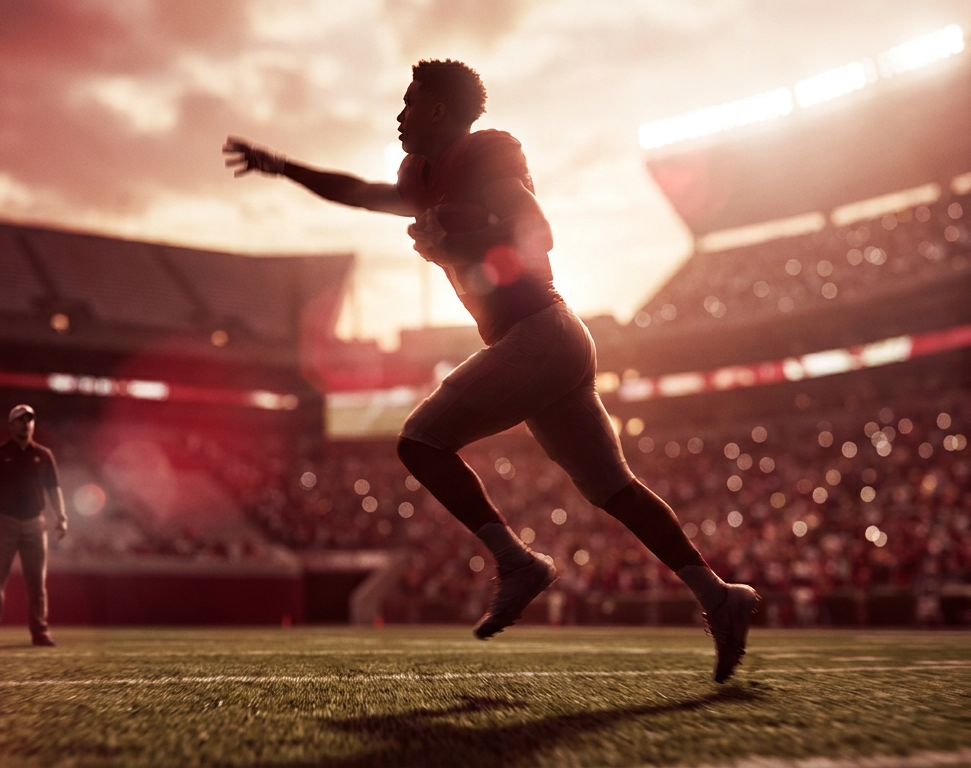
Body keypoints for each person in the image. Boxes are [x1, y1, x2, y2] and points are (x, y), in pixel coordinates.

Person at [224, 59, 760, 683]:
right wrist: (283, 167)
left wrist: (462, 232)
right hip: (546, 342)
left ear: (439, 112)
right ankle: (718, 594)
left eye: (409, 103)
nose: (399, 116)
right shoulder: (424, 177)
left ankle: (518, 561)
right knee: (613, 488)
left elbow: (538, 231)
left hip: (538, 331)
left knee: (421, 441)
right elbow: (359, 192)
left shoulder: (484, 160)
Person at [0, 404, 68, 647]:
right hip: (4, 522)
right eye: (21, 420)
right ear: (11, 424)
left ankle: (40, 631)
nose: (26, 424)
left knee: (37, 581)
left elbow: (54, 489)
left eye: (29, 420)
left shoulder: (44, 455)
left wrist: (61, 516)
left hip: (35, 522)